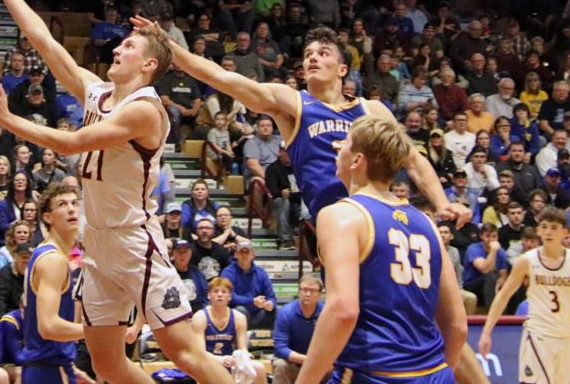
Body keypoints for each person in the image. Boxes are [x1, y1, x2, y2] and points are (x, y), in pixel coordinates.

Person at [0, 0, 230, 384]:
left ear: (149, 65)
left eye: (129, 45)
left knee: (183, 352)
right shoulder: (98, 94)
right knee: (107, 363)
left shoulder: (145, 110)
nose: (116, 46)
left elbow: (72, 142)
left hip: (134, 242)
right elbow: (45, 43)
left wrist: (9, 121)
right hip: (96, 244)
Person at [135, 22, 468, 227]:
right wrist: (170, 47)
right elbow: (221, 77)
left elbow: (414, 160)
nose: (312, 57)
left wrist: (442, 203)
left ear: (342, 69)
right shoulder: (292, 103)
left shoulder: (373, 109)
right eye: (308, 53)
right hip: (334, 218)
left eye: (323, 53)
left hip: (380, 211)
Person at [296, 115, 467, 382]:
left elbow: (343, 311)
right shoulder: (427, 223)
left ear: (357, 161)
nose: (336, 147)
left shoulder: (341, 215)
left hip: (375, 372)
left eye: (344, 143)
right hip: (435, 374)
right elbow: (457, 326)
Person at [479, 206, 570, 384]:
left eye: (553, 227)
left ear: (565, 232)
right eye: (544, 226)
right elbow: (503, 296)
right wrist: (486, 332)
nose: (548, 232)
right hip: (538, 335)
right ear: (538, 231)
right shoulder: (527, 260)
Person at [21, 183, 93, 384]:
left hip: (54, 366)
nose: (71, 208)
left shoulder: (51, 255)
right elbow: (48, 326)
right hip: (46, 371)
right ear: (47, 217)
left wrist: (69, 364)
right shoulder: (53, 260)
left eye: (73, 203)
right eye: (62, 204)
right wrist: (97, 331)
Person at [191, 276, 268, 384]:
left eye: (224, 292)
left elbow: (242, 349)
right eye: (215, 291)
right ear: (209, 295)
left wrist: (243, 356)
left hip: (230, 362)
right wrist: (219, 360)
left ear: (229, 296)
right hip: (207, 362)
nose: (219, 294)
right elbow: (200, 353)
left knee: (259, 368)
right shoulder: (200, 317)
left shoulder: (239, 317)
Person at [272, 273, 323, 384]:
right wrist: (308, 360)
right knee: (279, 364)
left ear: (320, 294)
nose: (307, 294)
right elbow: (280, 349)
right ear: (299, 291)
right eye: (304, 289)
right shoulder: (285, 313)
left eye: (312, 290)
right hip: (293, 365)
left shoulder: (326, 314)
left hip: (319, 366)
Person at [220, 239, 276, 329]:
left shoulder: (261, 273)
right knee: (240, 310)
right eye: (241, 252)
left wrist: (270, 304)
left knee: (277, 310)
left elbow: (271, 296)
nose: (244, 255)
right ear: (236, 255)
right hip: (236, 314)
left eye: (247, 252)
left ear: (253, 255)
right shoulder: (228, 272)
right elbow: (229, 296)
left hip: (258, 314)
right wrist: (252, 301)